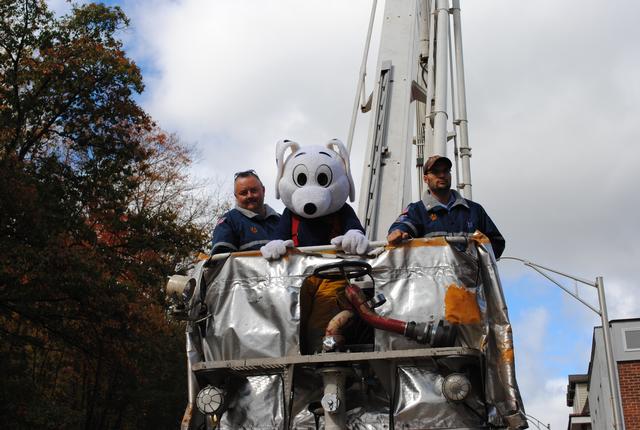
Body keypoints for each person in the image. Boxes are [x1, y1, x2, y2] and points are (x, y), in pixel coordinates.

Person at [387, 155, 505, 258]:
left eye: (446, 171)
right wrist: (397, 233)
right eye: (436, 172)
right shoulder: (417, 210)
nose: (442, 175)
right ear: (425, 178)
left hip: (471, 282)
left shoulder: (474, 210)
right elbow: (402, 226)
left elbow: (496, 243)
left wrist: (476, 259)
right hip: (433, 282)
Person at [211, 170, 280, 254]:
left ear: (263, 190)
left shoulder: (283, 220)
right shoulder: (228, 222)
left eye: (254, 190)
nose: (250, 196)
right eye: (243, 193)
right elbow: (221, 262)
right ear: (236, 197)